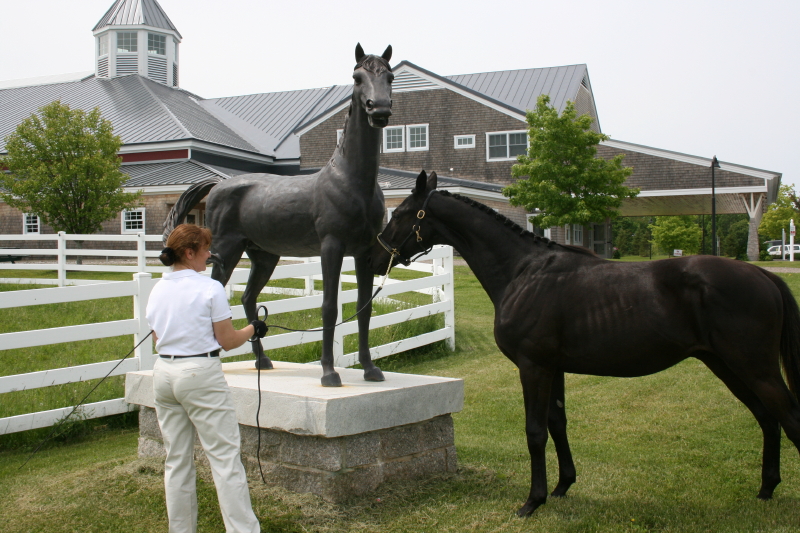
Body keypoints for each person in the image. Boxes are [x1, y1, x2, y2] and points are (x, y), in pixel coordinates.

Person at [146, 224, 268, 533]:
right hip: (200, 375)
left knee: (176, 460)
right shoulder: (210, 287)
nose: (209, 255)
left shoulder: (158, 288)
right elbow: (227, 340)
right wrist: (254, 328)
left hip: (164, 374)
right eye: (205, 250)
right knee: (225, 459)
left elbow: (158, 336)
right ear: (189, 253)